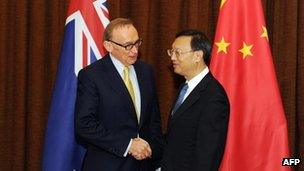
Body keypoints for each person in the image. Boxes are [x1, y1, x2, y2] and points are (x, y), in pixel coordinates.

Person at [75, 18, 163, 171]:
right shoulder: (92, 75)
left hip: (143, 165)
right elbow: (85, 124)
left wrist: (154, 155)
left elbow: (153, 119)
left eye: (137, 43)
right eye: (128, 46)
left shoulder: (146, 71)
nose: (135, 50)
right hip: (108, 165)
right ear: (108, 46)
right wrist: (128, 145)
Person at [162, 29, 230, 171]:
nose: (172, 57)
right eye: (171, 52)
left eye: (178, 52)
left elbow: (208, 155)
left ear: (198, 55)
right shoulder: (184, 87)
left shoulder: (214, 96)